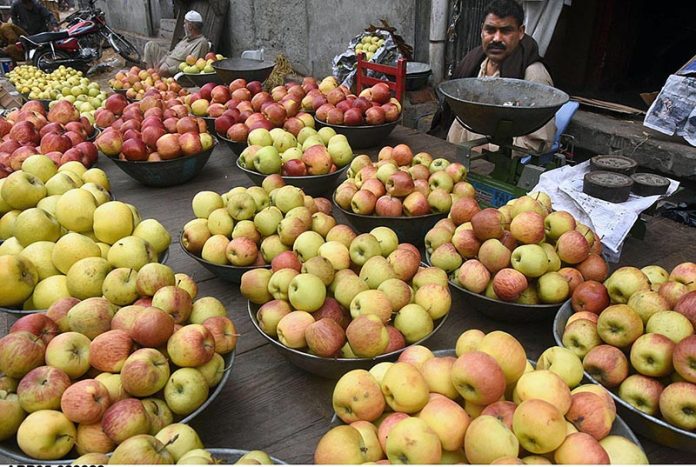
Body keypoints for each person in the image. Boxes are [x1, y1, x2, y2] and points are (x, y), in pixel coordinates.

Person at [444, 0, 556, 154]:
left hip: (498, 164)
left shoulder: (534, 76)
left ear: (521, 32)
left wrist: (486, 151)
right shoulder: (474, 62)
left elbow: (537, 142)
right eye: (490, 30)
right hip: (458, 156)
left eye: (506, 31)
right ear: (481, 30)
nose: (496, 38)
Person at [143, 10, 209, 77]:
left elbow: (193, 66)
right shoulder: (186, 38)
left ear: (190, 26)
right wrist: (161, 62)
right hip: (164, 63)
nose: (183, 26)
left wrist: (168, 70)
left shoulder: (201, 42)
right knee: (150, 45)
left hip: (172, 71)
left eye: (185, 23)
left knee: (161, 71)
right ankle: (149, 77)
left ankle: (153, 78)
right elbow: (171, 53)